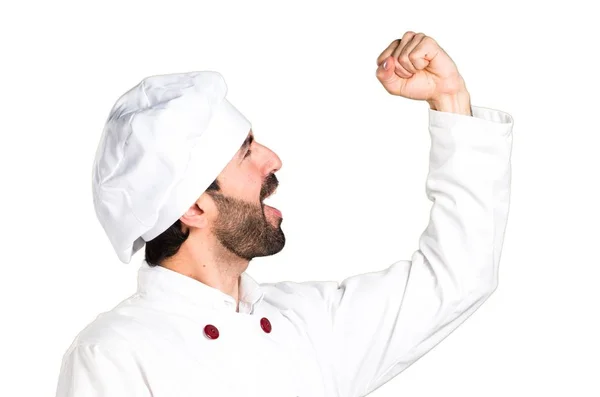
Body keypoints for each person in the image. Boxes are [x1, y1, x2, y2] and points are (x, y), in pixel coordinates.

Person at [55, 31, 514, 397]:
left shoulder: (308, 325)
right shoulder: (112, 355)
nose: (271, 159)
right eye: (245, 152)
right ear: (193, 205)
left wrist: (450, 99)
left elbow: (458, 277)